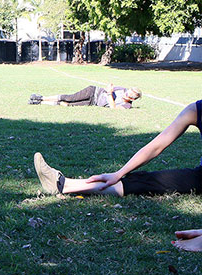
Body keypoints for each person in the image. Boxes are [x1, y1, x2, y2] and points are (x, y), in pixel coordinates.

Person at [33, 100, 202, 251]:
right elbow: (157, 145)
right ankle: (64, 184)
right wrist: (119, 173)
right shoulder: (195, 109)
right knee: (146, 180)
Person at [29, 83, 141, 109]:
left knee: (68, 105)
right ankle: (41, 97)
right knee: (69, 98)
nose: (126, 93)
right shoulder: (121, 89)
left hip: (93, 102)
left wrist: (109, 93)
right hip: (93, 92)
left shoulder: (127, 105)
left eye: (129, 94)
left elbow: (114, 108)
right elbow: (108, 89)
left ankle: (39, 102)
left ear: (132, 99)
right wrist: (108, 90)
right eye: (128, 91)